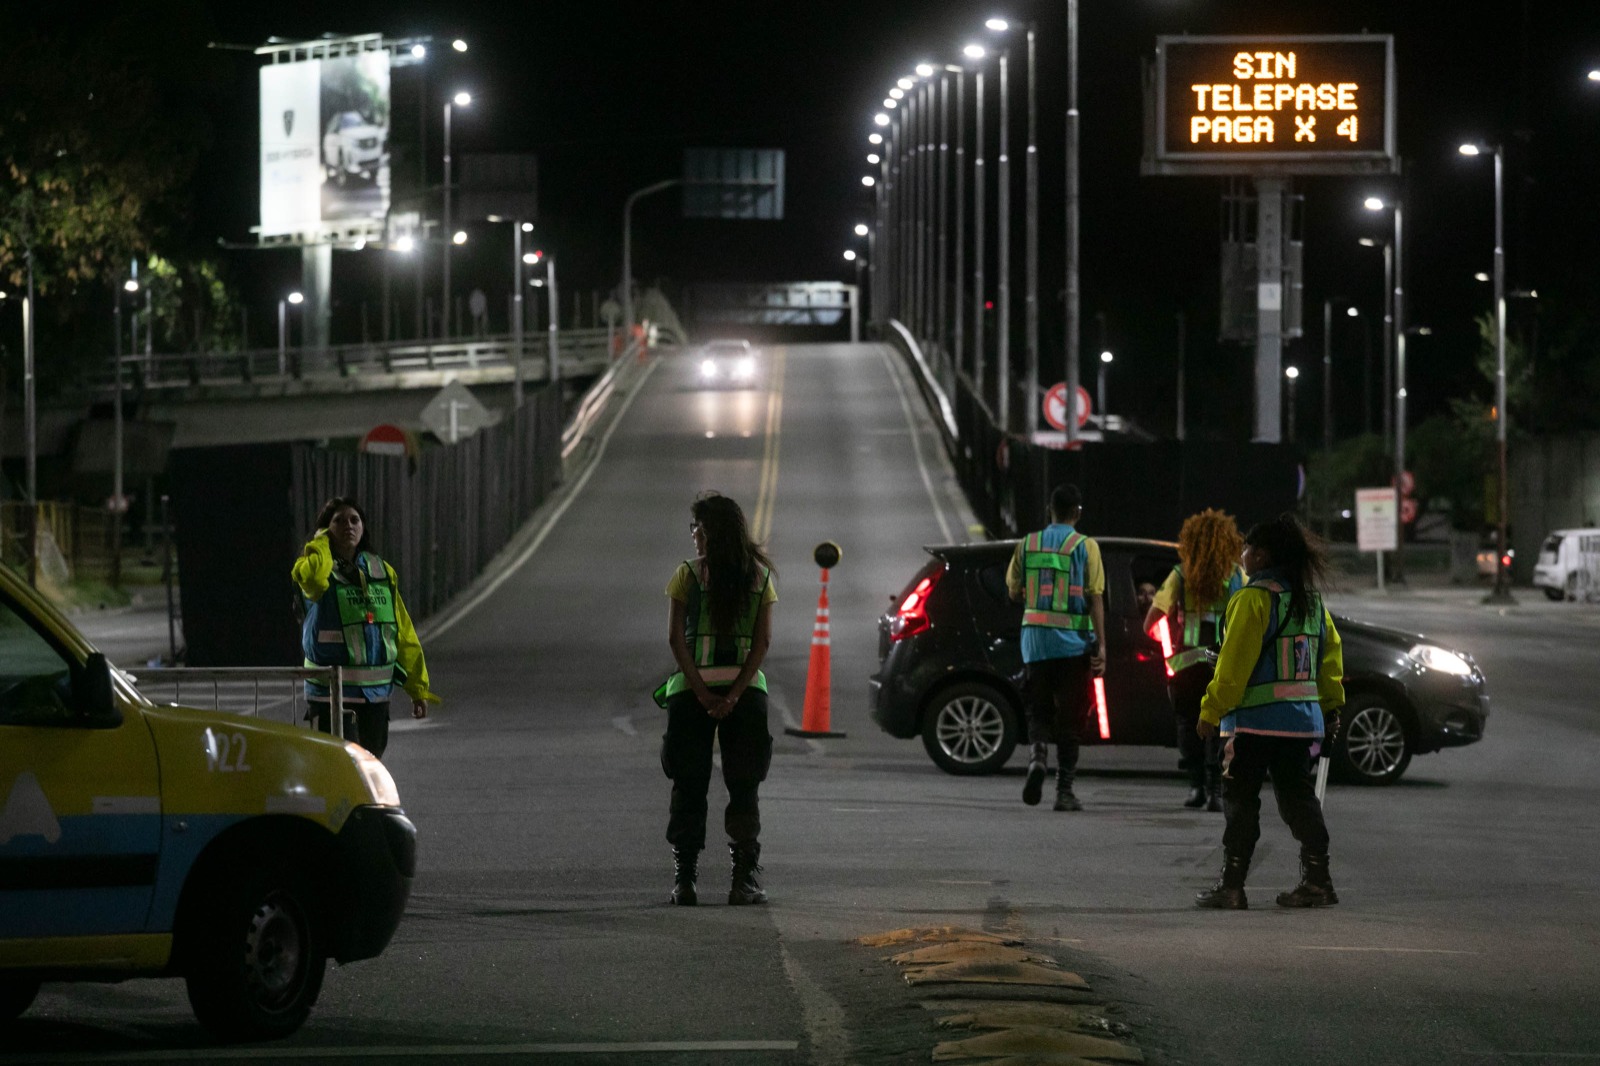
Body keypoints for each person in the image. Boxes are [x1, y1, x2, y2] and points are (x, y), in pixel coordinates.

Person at [1194, 514, 1345, 910]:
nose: (1242, 555)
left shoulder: (1252, 599)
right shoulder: (1312, 604)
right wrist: (1332, 709)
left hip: (1252, 725)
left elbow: (1234, 668)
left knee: (1241, 801)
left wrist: (1210, 711)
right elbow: (1329, 661)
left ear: (1260, 556)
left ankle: (1232, 886)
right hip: (1301, 725)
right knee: (1299, 800)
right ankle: (1318, 880)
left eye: (1246, 548)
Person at [656, 492, 777, 906]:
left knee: (688, 783)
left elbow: (675, 639)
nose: (694, 536)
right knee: (744, 785)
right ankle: (742, 881)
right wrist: (735, 694)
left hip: (691, 695)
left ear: (712, 534)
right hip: (746, 696)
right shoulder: (760, 578)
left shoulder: (685, 576)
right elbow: (762, 643)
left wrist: (704, 692)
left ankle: (685, 881)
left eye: (698, 529)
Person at [292, 498, 438, 758]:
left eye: (354, 520)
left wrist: (418, 688)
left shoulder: (381, 571)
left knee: (371, 767)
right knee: (339, 767)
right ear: (325, 530)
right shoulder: (313, 569)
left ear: (363, 527)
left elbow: (403, 632)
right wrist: (321, 544)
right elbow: (314, 579)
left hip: (375, 696)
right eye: (338, 521)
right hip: (329, 696)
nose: (348, 526)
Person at [1006, 483, 1106, 812]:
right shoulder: (1085, 546)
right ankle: (1064, 791)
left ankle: (1037, 756)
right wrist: (1101, 645)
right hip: (1072, 646)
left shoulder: (1028, 544)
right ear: (1077, 512)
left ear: (1050, 509)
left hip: (1034, 643)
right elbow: (1095, 597)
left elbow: (1013, 591)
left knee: (1039, 710)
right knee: (1071, 719)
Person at [1144, 509, 1247, 812]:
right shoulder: (1237, 576)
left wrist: (1169, 640)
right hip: (1222, 664)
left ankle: (1195, 787)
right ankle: (1216, 790)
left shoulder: (1180, 574)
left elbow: (1150, 622)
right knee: (1218, 724)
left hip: (1186, 664)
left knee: (1188, 723)